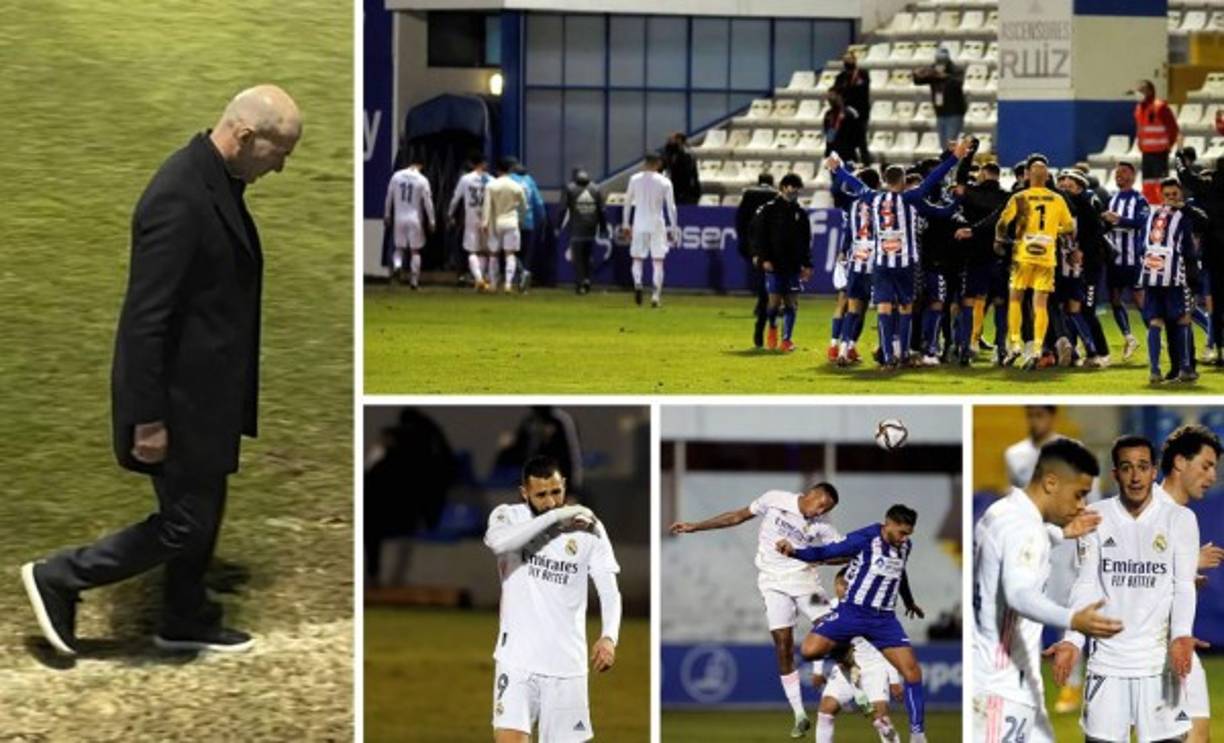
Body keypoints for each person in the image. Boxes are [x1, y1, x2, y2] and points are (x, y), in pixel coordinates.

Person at [21, 85, 302, 655]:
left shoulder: (216, 180)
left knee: (204, 504)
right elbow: (144, 320)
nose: (283, 166)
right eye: (280, 152)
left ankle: (184, 615)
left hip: (205, 394)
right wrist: (148, 419)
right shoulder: (179, 196)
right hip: (176, 399)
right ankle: (59, 577)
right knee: (182, 523)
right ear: (246, 137)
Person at [1047, 435, 1199, 743]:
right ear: (1115, 473)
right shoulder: (1095, 517)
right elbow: (1086, 582)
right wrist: (1073, 640)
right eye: (1126, 468)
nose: (1135, 476)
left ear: (1154, 471)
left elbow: (1183, 585)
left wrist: (1181, 634)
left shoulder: (1180, 519)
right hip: (1107, 667)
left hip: (1159, 666)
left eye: (1143, 467)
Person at [972, 438, 1121, 743]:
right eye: (1079, 495)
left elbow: (1009, 551)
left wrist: (1060, 534)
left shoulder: (1000, 511)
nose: (1082, 505)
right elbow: (1019, 594)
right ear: (1051, 482)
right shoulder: (1026, 530)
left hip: (1007, 679)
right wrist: (1073, 619)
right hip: (1001, 686)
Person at [669, 483, 843, 739]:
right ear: (812, 495)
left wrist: (815, 557)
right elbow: (737, 516)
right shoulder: (775, 499)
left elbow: (841, 553)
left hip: (806, 584)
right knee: (783, 644)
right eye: (821, 505)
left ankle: (859, 689)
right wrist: (696, 526)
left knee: (835, 628)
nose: (821, 512)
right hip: (772, 584)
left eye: (826, 510)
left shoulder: (823, 526)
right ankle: (799, 715)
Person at [483, 456, 622, 743]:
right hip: (516, 661)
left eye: (556, 492)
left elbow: (609, 590)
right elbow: (499, 543)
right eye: (541, 495)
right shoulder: (507, 516)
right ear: (525, 493)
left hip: (566, 668)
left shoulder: (589, 528)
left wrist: (609, 636)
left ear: (565, 486)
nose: (550, 501)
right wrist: (557, 517)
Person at [776, 505, 928, 742]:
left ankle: (917, 734)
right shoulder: (865, 538)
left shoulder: (905, 546)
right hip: (853, 612)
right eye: (901, 532)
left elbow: (900, 572)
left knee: (912, 671)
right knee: (808, 650)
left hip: (884, 619)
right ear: (887, 524)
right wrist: (794, 552)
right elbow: (826, 552)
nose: (904, 538)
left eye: (908, 534)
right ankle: (845, 656)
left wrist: (909, 601)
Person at [826, 137, 971, 368]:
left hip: (882, 262)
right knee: (905, 307)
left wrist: (838, 169)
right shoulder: (911, 197)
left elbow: (854, 183)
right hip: (906, 263)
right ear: (903, 181)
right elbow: (934, 179)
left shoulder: (872, 197)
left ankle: (887, 357)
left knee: (883, 307)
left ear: (884, 180)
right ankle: (902, 353)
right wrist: (955, 157)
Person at [1156, 425, 1224, 743]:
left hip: (1179, 647)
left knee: (1200, 736)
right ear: (1180, 462)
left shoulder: (1184, 518)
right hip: (1150, 654)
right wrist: (1187, 563)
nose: (1212, 477)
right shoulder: (1145, 510)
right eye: (1206, 466)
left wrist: (1184, 579)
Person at [994, 154, 1076, 369]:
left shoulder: (1020, 198)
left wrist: (1001, 240)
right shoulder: (1058, 199)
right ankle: (1039, 347)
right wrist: (1053, 231)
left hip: (1022, 256)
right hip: (1047, 257)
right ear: (1048, 176)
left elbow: (1002, 223)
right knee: (1040, 304)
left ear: (1028, 175)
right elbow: (1069, 228)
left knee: (1015, 299)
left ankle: (1015, 344)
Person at [811, 568, 902, 743]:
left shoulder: (875, 608)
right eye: (840, 584)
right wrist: (817, 670)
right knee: (825, 710)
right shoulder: (829, 609)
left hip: (874, 668)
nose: (843, 589)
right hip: (846, 670)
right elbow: (820, 639)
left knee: (880, 719)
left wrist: (894, 680)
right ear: (835, 586)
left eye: (847, 585)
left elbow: (890, 645)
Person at [1139, 177, 1199, 383]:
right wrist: (1193, 275)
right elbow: (1189, 250)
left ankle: (1154, 371)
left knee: (1155, 321)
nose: (1172, 198)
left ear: (1180, 194)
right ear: (1161, 196)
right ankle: (1185, 368)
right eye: (1168, 195)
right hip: (1174, 276)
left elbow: (1141, 245)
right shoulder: (1183, 217)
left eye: (1174, 194)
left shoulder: (1151, 216)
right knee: (1182, 318)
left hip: (1151, 274)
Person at [952, 158, 1011, 363]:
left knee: (968, 301)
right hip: (999, 256)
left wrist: (967, 157)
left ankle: (966, 348)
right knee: (1000, 302)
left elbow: (959, 181)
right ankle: (1001, 349)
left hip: (974, 255)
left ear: (984, 174)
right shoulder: (1007, 197)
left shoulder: (972, 194)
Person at [751, 173, 814, 352]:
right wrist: (763, 258)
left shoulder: (800, 214)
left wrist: (807, 264)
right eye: (792, 186)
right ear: (783, 187)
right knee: (773, 303)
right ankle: (772, 327)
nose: (795, 191)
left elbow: (805, 241)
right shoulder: (767, 210)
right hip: (774, 263)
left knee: (791, 302)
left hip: (793, 265)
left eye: (797, 187)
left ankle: (786, 339)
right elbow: (758, 236)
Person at [1175, 149, 1224, 364]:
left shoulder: (1208, 187)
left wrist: (1179, 158)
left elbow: (1184, 176)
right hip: (1212, 251)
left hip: (1213, 251)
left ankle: (1217, 349)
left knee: (1216, 302)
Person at [834, 168, 883, 365]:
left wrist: (844, 250)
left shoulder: (852, 204)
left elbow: (848, 230)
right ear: (878, 184)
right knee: (885, 308)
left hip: (857, 259)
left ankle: (844, 350)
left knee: (853, 308)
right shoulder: (882, 201)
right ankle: (887, 350)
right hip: (878, 260)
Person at [1102, 161, 1150, 360]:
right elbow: (1107, 224)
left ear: (1132, 175)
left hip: (1132, 258)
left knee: (1139, 299)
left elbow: (1141, 223)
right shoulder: (1112, 199)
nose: (1118, 175)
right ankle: (1129, 338)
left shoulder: (1140, 200)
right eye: (1116, 173)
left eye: (1122, 172)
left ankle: (1152, 334)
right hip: (1115, 259)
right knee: (1114, 298)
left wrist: (1118, 220)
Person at [621, 152, 678, 308]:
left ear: (645, 163)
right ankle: (655, 296)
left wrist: (626, 224)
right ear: (658, 163)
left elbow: (627, 203)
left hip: (639, 223)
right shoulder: (665, 182)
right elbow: (671, 207)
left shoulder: (635, 179)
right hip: (656, 224)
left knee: (637, 258)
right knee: (658, 262)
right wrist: (673, 227)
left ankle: (638, 283)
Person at [735, 173, 778, 347]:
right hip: (773, 248)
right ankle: (768, 310)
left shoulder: (749, 194)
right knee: (770, 281)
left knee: (761, 278)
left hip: (753, 246)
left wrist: (745, 242)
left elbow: (740, 220)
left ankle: (762, 311)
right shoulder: (775, 196)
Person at [384, 157, 434, 289]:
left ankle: (397, 266)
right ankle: (414, 281)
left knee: (399, 248)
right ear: (421, 166)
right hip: (415, 218)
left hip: (399, 217)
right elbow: (428, 202)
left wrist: (387, 214)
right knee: (415, 251)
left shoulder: (397, 176)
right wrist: (432, 220)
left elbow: (389, 196)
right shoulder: (422, 180)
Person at [448, 154, 493, 292]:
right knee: (484, 251)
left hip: (471, 217)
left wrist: (450, 213)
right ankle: (482, 279)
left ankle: (478, 279)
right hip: (487, 218)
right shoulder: (491, 179)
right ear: (484, 164)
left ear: (472, 164)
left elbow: (456, 198)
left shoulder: (465, 179)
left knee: (472, 251)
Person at [483, 158, 528, 293]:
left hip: (496, 222)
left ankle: (493, 284)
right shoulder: (516, 186)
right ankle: (508, 284)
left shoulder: (491, 186)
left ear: (497, 170)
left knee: (493, 255)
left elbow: (487, 206)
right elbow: (524, 206)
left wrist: (485, 222)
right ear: (509, 170)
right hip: (511, 222)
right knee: (510, 254)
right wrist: (521, 220)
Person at [559, 168, 606, 295]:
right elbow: (602, 211)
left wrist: (558, 226)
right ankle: (587, 280)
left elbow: (562, 209)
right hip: (591, 229)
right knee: (587, 256)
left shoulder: (570, 189)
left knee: (578, 258)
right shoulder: (596, 189)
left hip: (576, 229)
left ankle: (580, 284)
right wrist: (603, 228)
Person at [1132, 80, 1180, 204]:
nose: (1139, 93)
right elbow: (1141, 129)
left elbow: (1173, 128)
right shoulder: (1139, 109)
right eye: (1138, 90)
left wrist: (1168, 145)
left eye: (1142, 90)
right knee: (1147, 182)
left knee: (1161, 182)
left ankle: (1163, 206)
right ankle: (1150, 206)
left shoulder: (1160, 107)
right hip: (1146, 152)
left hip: (1160, 152)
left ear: (1150, 91)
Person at [913, 48, 967, 147]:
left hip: (954, 113)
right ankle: (950, 162)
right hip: (940, 113)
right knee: (943, 145)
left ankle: (953, 162)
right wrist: (917, 73)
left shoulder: (956, 70)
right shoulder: (933, 71)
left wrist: (943, 76)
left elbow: (957, 83)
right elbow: (918, 81)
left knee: (950, 143)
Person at [509, 161, 547, 293]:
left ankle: (518, 273)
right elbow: (539, 203)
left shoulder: (509, 180)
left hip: (512, 221)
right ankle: (524, 272)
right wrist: (543, 219)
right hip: (528, 222)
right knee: (526, 252)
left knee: (511, 251)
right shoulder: (530, 181)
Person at [833, 51, 871, 159]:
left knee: (861, 141)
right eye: (845, 59)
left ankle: (866, 163)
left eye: (849, 59)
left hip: (861, 112)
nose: (847, 61)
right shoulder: (840, 77)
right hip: (846, 114)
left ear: (854, 60)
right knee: (848, 142)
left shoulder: (863, 74)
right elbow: (835, 92)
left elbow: (862, 90)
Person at [823, 88, 868, 164]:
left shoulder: (850, 113)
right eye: (828, 97)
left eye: (832, 96)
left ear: (840, 96)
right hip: (833, 156)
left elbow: (860, 136)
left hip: (848, 155)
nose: (829, 99)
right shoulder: (829, 115)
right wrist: (827, 153)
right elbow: (829, 137)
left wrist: (864, 156)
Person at [663, 132, 701, 205]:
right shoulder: (671, 153)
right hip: (675, 189)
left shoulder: (686, 154)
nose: (669, 142)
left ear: (679, 140)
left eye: (672, 139)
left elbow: (687, 172)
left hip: (686, 191)